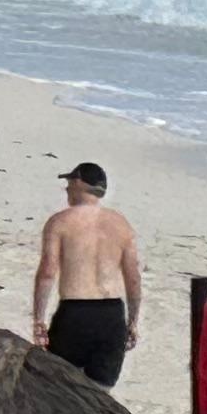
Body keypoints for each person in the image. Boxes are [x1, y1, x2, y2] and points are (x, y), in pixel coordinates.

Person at [34, 161, 143, 384]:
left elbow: (47, 272)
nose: (66, 188)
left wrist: (38, 320)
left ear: (78, 183)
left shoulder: (59, 222)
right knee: (99, 397)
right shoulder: (121, 224)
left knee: (60, 390)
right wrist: (132, 321)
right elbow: (133, 278)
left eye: (68, 182)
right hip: (112, 315)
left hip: (75, 313)